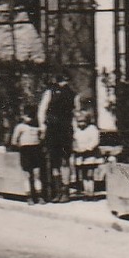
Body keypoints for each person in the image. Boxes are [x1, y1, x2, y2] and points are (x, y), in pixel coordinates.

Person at [37, 73, 76, 202]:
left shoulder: (72, 94)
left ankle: (64, 192)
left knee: (63, 161)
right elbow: (42, 111)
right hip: (54, 129)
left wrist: (74, 131)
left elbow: (75, 113)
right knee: (56, 161)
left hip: (64, 129)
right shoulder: (50, 92)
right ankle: (58, 191)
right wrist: (43, 127)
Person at [11, 109, 44, 202]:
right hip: (25, 151)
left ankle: (39, 195)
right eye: (27, 116)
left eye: (31, 116)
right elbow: (14, 140)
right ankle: (29, 197)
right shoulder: (20, 127)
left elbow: (41, 138)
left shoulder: (37, 126)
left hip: (36, 150)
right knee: (27, 175)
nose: (29, 118)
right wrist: (21, 147)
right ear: (23, 116)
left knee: (37, 174)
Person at [71, 110, 103, 197]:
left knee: (90, 174)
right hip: (81, 155)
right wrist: (76, 148)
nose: (81, 124)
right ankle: (86, 192)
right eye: (79, 122)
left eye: (83, 121)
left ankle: (91, 192)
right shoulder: (77, 131)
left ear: (88, 121)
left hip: (90, 155)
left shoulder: (92, 129)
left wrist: (87, 148)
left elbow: (95, 141)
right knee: (83, 174)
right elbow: (74, 140)